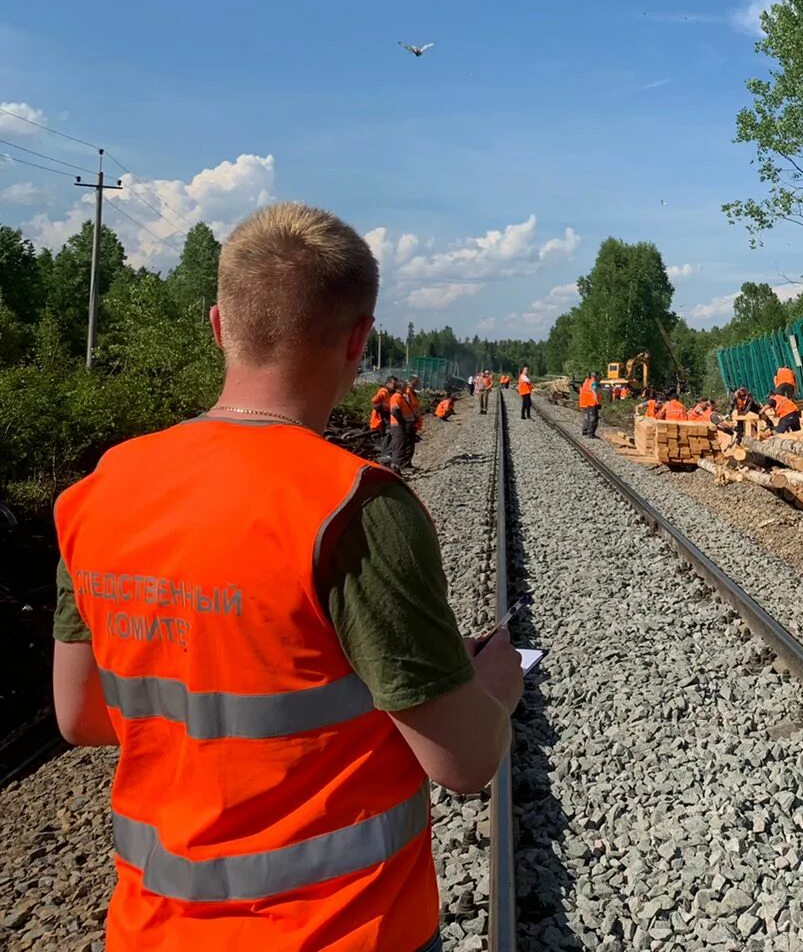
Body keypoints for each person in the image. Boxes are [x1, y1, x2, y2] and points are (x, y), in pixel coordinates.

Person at [51, 201, 523, 952]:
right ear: (358, 340)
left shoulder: (99, 492)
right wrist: (495, 684)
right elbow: (463, 763)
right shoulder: (356, 507)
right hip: (340, 931)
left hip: (148, 930)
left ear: (216, 325)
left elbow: (79, 717)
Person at [386, 377, 417, 470]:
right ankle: (396, 468)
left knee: (404, 445)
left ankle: (404, 465)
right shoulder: (396, 397)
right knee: (398, 447)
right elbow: (395, 411)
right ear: (401, 387)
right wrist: (403, 423)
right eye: (405, 387)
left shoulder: (401, 397)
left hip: (403, 425)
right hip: (398, 426)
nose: (406, 389)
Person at [370, 375, 399, 441]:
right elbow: (374, 401)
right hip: (383, 414)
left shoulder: (391, 392)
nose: (395, 386)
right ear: (388, 383)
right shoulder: (383, 391)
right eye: (393, 384)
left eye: (396, 384)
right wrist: (383, 407)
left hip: (387, 413)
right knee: (386, 432)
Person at [577, 371, 601, 438]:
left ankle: (585, 431)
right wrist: (598, 403)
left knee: (586, 418)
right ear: (596, 376)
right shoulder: (593, 383)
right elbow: (594, 393)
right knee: (593, 419)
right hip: (592, 403)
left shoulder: (586, 382)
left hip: (585, 403)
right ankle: (591, 434)